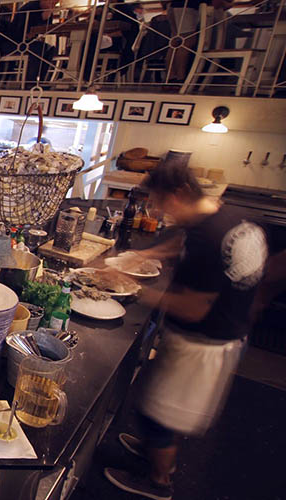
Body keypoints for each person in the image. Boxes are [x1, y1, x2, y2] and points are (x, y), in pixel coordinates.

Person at [102, 162, 268, 500]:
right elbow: (184, 241)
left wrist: (131, 287)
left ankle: (158, 480)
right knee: (163, 405)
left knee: (161, 415)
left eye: (161, 203)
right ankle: (153, 450)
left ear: (179, 193)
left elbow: (193, 308)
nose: (158, 213)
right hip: (228, 333)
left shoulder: (209, 237)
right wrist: (144, 254)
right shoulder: (225, 216)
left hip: (203, 343)